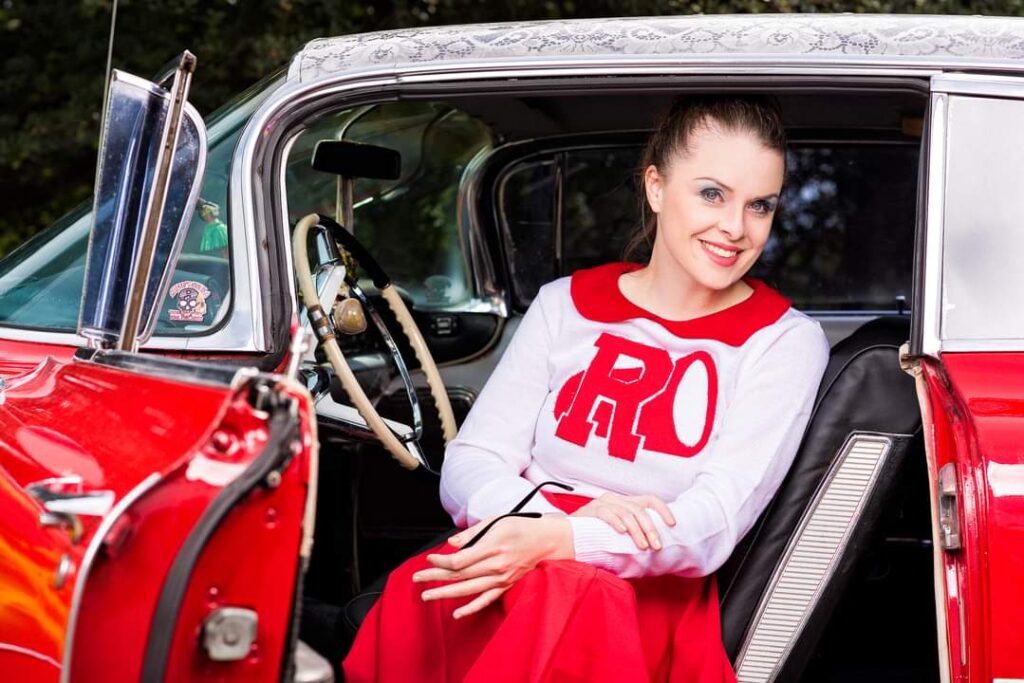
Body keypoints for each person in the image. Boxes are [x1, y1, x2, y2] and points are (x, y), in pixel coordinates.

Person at [343, 95, 830, 682]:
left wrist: (568, 540)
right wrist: (543, 522)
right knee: (423, 589)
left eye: (760, 206)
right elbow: (471, 462)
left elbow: (715, 522)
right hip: (509, 554)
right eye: (712, 194)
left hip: (636, 599)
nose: (735, 228)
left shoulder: (783, 340)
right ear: (655, 186)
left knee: (569, 596)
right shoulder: (564, 304)